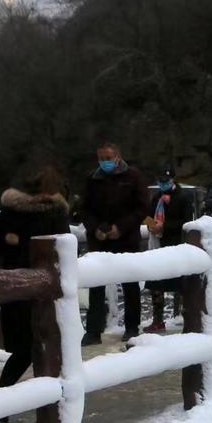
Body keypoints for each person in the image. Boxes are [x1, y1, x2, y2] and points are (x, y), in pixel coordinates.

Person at [0, 166, 70, 396]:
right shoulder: (55, 214)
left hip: (13, 289)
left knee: (25, 349)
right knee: (45, 346)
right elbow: (66, 253)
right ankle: (48, 402)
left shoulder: (10, 213)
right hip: (47, 292)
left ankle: (6, 401)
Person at [80, 141, 148, 344]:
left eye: (108, 158)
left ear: (118, 157)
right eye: (101, 159)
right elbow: (83, 208)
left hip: (126, 238)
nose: (104, 162)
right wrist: (95, 228)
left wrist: (121, 227)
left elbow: (142, 208)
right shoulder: (92, 179)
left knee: (130, 284)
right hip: (99, 239)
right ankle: (93, 330)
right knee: (97, 285)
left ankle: (132, 327)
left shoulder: (133, 177)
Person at [144, 166, 193, 331]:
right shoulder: (156, 197)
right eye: (160, 181)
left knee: (182, 285)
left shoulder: (184, 197)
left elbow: (186, 222)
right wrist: (152, 226)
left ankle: (187, 317)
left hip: (176, 245)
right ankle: (158, 319)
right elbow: (149, 215)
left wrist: (165, 227)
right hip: (158, 245)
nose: (162, 184)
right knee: (156, 284)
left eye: (165, 181)